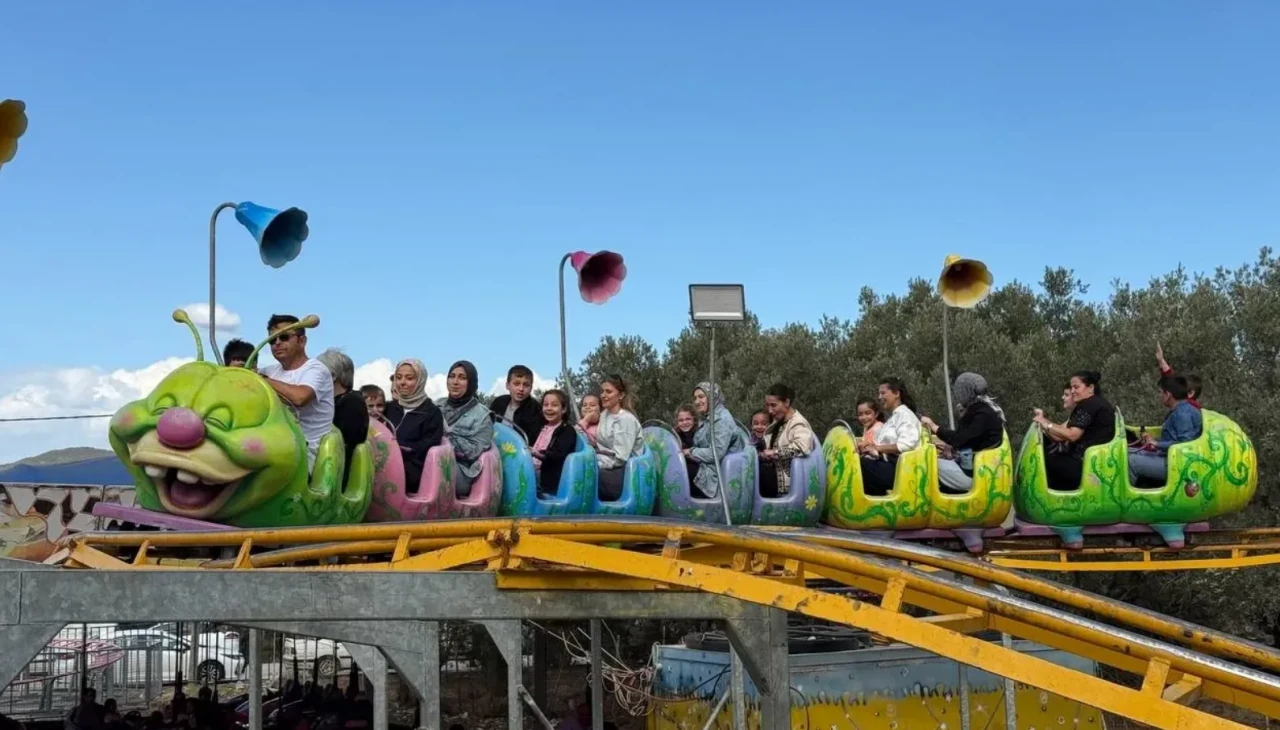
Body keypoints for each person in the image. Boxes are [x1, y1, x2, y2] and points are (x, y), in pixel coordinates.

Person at [257, 314, 335, 472]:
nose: (277, 343)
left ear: (302, 341)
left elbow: (300, 398)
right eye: (272, 340)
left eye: (284, 337)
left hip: (308, 451)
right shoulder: (268, 371)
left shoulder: (316, 369)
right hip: (275, 445)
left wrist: (263, 380)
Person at [921, 373, 1006, 494]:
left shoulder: (982, 414)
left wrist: (933, 426)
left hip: (975, 475)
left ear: (967, 392)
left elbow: (959, 439)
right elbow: (968, 439)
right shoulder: (982, 409)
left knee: (924, 463)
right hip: (974, 469)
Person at [1033, 370, 1117, 491]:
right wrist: (1043, 422)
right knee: (1048, 455)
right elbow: (1060, 435)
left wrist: (1046, 424)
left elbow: (1072, 435)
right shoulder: (1089, 404)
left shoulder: (1091, 405)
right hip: (1089, 461)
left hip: (1087, 465)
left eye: (1076, 387)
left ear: (1090, 388)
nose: (1072, 391)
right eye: (1071, 388)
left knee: (1045, 460)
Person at [1128, 375, 1202, 486]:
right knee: (1126, 452)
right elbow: (1173, 438)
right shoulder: (1179, 410)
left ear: (1168, 395)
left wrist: (1157, 444)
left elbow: (1185, 445)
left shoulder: (1183, 414)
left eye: (1160, 392)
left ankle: (1126, 500)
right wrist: (1154, 441)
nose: (1159, 396)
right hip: (1168, 458)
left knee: (1130, 461)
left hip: (1176, 465)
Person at [384, 359, 444, 493]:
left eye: (409, 378)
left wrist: (405, 449)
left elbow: (430, 443)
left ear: (420, 380)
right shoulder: (389, 408)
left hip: (413, 468)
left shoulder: (432, 412)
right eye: (398, 378)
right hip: (384, 461)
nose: (402, 382)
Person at [438, 361, 494, 497]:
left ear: (471, 383)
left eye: (462, 378)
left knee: (435, 459)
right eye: (452, 376)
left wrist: (445, 440)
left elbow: (474, 452)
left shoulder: (483, 415)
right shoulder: (435, 406)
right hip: (430, 460)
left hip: (462, 471)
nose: (455, 382)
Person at [858, 377, 921, 497]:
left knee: (861, 465)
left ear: (897, 394)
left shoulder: (905, 415)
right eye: (878, 394)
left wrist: (877, 448)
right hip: (889, 465)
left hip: (900, 470)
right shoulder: (893, 418)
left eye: (883, 393)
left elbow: (906, 444)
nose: (879, 397)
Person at [683, 383, 745, 499]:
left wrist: (690, 452)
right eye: (695, 398)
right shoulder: (709, 418)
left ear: (712, 396)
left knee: (680, 472)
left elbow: (715, 454)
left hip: (717, 474)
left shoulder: (721, 420)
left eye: (701, 396)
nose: (697, 401)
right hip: (708, 466)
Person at [317, 348, 370, 485]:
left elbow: (346, 441)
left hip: (338, 475)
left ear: (333, 375)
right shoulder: (328, 401)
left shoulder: (352, 402)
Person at [760, 383, 815, 498]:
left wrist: (774, 453)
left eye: (773, 405)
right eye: (767, 405)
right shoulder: (778, 423)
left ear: (787, 402)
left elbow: (802, 447)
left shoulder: (798, 423)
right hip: (772, 477)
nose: (770, 410)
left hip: (787, 485)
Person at [595, 375, 643, 501]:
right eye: (602, 391)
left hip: (624, 474)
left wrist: (594, 463)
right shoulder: (604, 415)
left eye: (608, 391)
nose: (603, 395)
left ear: (621, 395)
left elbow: (620, 458)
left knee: (584, 475)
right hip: (606, 467)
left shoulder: (626, 420)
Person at [530, 389, 579, 497]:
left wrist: (537, 453)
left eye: (554, 405)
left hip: (548, 476)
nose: (549, 408)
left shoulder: (567, 430)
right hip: (532, 468)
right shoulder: (542, 427)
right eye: (545, 405)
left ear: (564, 409)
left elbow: (558, 454)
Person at [489, 365, 546, 443]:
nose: (521, 389)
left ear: (531, 388)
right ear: (507, 385)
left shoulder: (535, 410)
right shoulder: (499, 402)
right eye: (516, 384)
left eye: (526, 385)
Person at [1155, 343, 1203, 408]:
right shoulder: (1187, 407)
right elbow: (1169, 378)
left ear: (1190, 393)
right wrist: (1161, 360)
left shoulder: (1187, 409)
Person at [749, 409, 778, 494]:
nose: (759, 426)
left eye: (764, 424)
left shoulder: (773, 440)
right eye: (756, 423)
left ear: (771, 426)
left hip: (770, 479)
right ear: (751, 426)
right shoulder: (750, 440)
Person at [674, 404, 700, 484]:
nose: (684, 422)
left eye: (688, 419)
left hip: (699, 477)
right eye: (681, 420)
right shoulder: (675, 437)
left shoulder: (700, 434)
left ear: (694, 420)